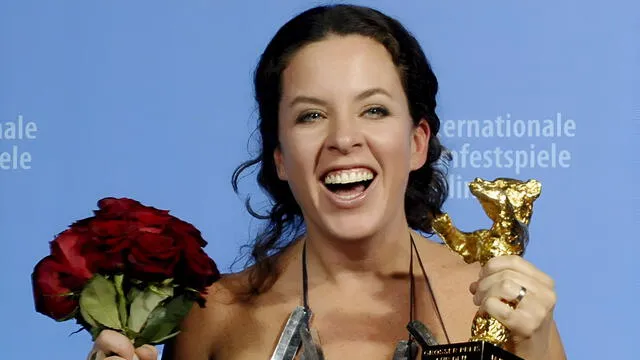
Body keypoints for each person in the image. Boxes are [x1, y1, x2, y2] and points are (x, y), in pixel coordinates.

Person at [89, 4, 566, 360]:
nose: (343, 138)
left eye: (374, 110)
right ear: (279, 156)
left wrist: (539, 346)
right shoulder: (213, 315)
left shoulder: (499, 308)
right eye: (311, 115)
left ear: (418, 142)